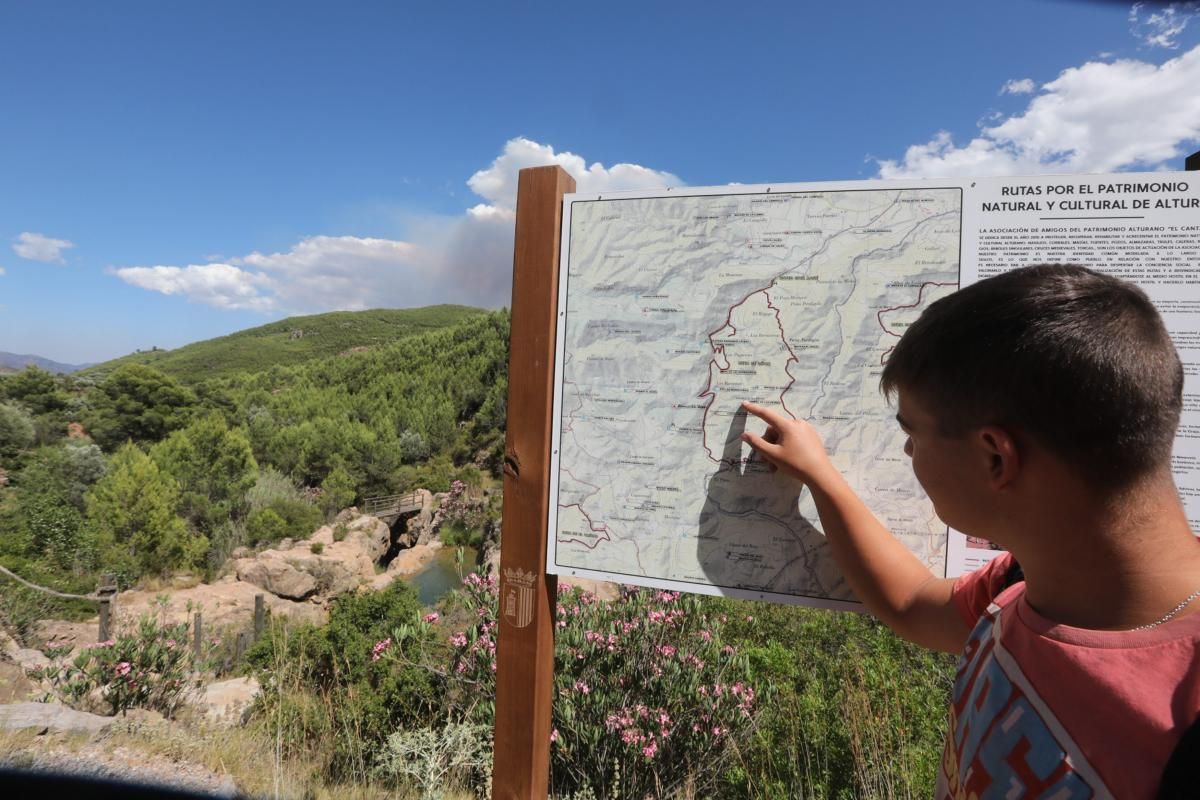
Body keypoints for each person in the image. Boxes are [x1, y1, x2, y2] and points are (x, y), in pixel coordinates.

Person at [740, 264, 1200, 799]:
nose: (909, 451)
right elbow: (914, 603)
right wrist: (820, 477)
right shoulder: (1029, 581)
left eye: (912, 433)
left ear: (993, 457)